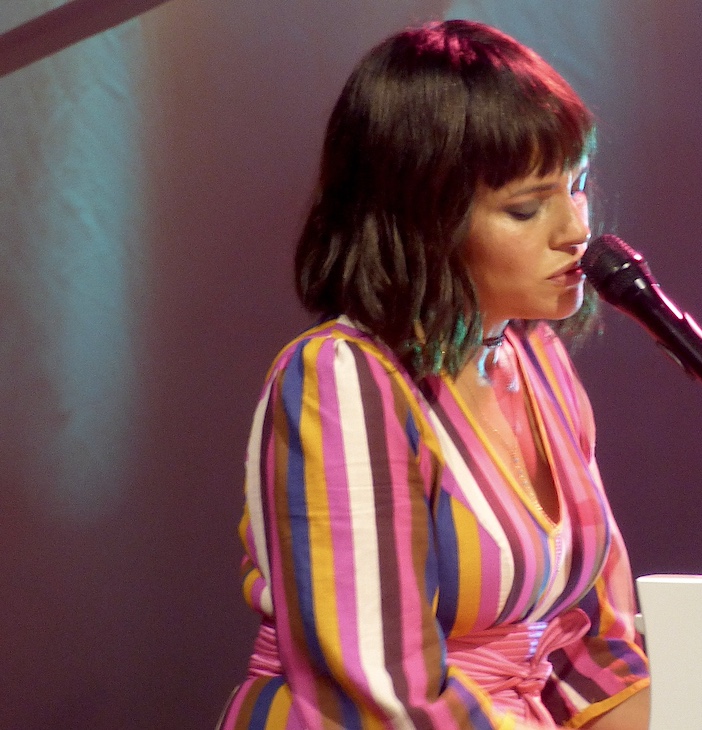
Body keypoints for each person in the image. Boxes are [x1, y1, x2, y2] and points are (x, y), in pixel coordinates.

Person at [216, 20, 650, 730]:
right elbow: (382, 690)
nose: (576, 231)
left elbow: (589, 647)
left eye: (576, 188)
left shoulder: (536, 358)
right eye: (525, 207)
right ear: (426, 219)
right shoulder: (342, 378)